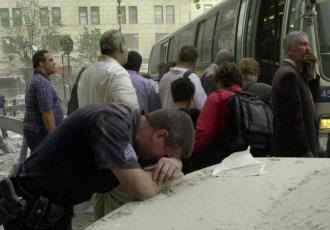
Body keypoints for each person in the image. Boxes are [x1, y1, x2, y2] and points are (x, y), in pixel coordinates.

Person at [0, 103, 194, 230]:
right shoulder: (109, 121)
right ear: (160, 136)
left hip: (54, 212)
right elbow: (141, 189)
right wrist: (164, 179)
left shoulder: (139, 139)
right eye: (166, 154)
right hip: (28, 211)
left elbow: (162, 170)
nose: (160, 160)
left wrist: (175, 162)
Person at [271, 31, 319, 157]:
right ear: (289, 49)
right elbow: (294, 119)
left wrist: (311, 72)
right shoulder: (289, 75)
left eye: (308, 44)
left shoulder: (295, 73)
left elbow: (312, 99)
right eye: (302, 44)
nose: (308, 49)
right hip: (296, 152)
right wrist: (305, 151)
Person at [190, 62, 242, 172]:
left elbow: (204, 132)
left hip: (221, 157)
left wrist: (188, 151)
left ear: (219, 81)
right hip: (245, 156)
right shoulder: (246, 97)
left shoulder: (217, 97)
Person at [77, 29, 139, 110]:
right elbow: (131, 109)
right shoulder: (117, 72)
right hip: (110, 123)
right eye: (127, 45)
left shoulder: (86, 72)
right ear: (122, 46)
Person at [23, 50, 64, 151]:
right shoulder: (41, 82)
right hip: (40, 134)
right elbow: (47, 112)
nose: (54, 63)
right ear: (41, 64)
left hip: (35, 132)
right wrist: (55, 138)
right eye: (50, 60)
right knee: (46, 164)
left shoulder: (35, 78)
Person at [159, 45, 207, 110]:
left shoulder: (164, 78)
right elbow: (203, 106)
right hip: (183, 119)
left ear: (178, 58)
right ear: (194, 62)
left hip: (165, 118)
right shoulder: (192, 78)